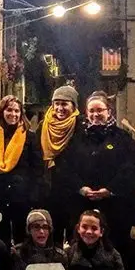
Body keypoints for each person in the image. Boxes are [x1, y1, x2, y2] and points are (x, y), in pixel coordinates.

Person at [54, 92, 135, 270]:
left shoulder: (123, 138)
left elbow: (130, 168)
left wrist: (109, 190)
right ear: (86, 112)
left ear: (108, 111)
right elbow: (66, 168)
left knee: (115, 247)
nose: (96, 114)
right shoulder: (76, 138)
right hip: (82, 203)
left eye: (100, 110)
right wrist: (81, 188)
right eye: (91, 111)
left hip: (115, 206)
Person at [0, 95, 44, 245]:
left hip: (21, 197)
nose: (13, 114)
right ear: (2, 112)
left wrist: (33, 195)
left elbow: (37, 168)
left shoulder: (29, 137)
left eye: (17, 111)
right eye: (9, 110)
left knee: (22, 238)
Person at [40, 86, 85, 242]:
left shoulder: (81, 127)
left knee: (75, 236)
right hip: (49, 191)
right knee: (52, 236)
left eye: (65, 104)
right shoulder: (43, 126)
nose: (60, 108)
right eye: (56, 103)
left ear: (74, 106)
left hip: (74, 193)